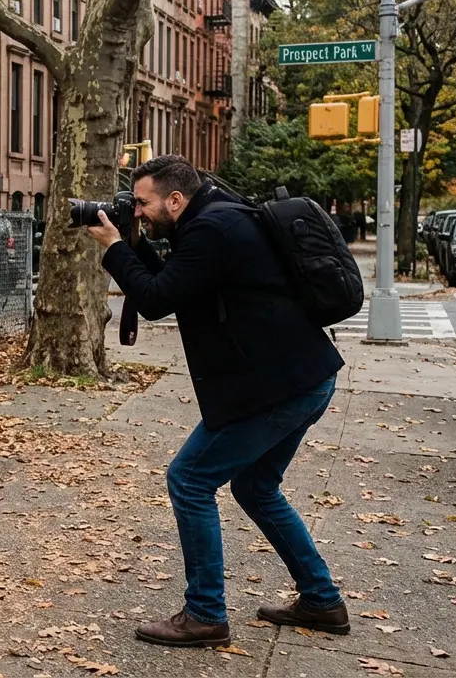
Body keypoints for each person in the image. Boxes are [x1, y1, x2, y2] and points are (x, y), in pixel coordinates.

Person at [86, 155, 348, 647]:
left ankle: (205, 613)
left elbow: (157, 300)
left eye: (143, 203)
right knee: (255, 486)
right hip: (301, 376)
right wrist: (134, 245)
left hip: (275, 386)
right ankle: (322, 600)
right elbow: (173, 284)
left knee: (189, 479)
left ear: (175, 199)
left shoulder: (213, 230)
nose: (136, 211)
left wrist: (116, 248)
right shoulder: (216, 217)